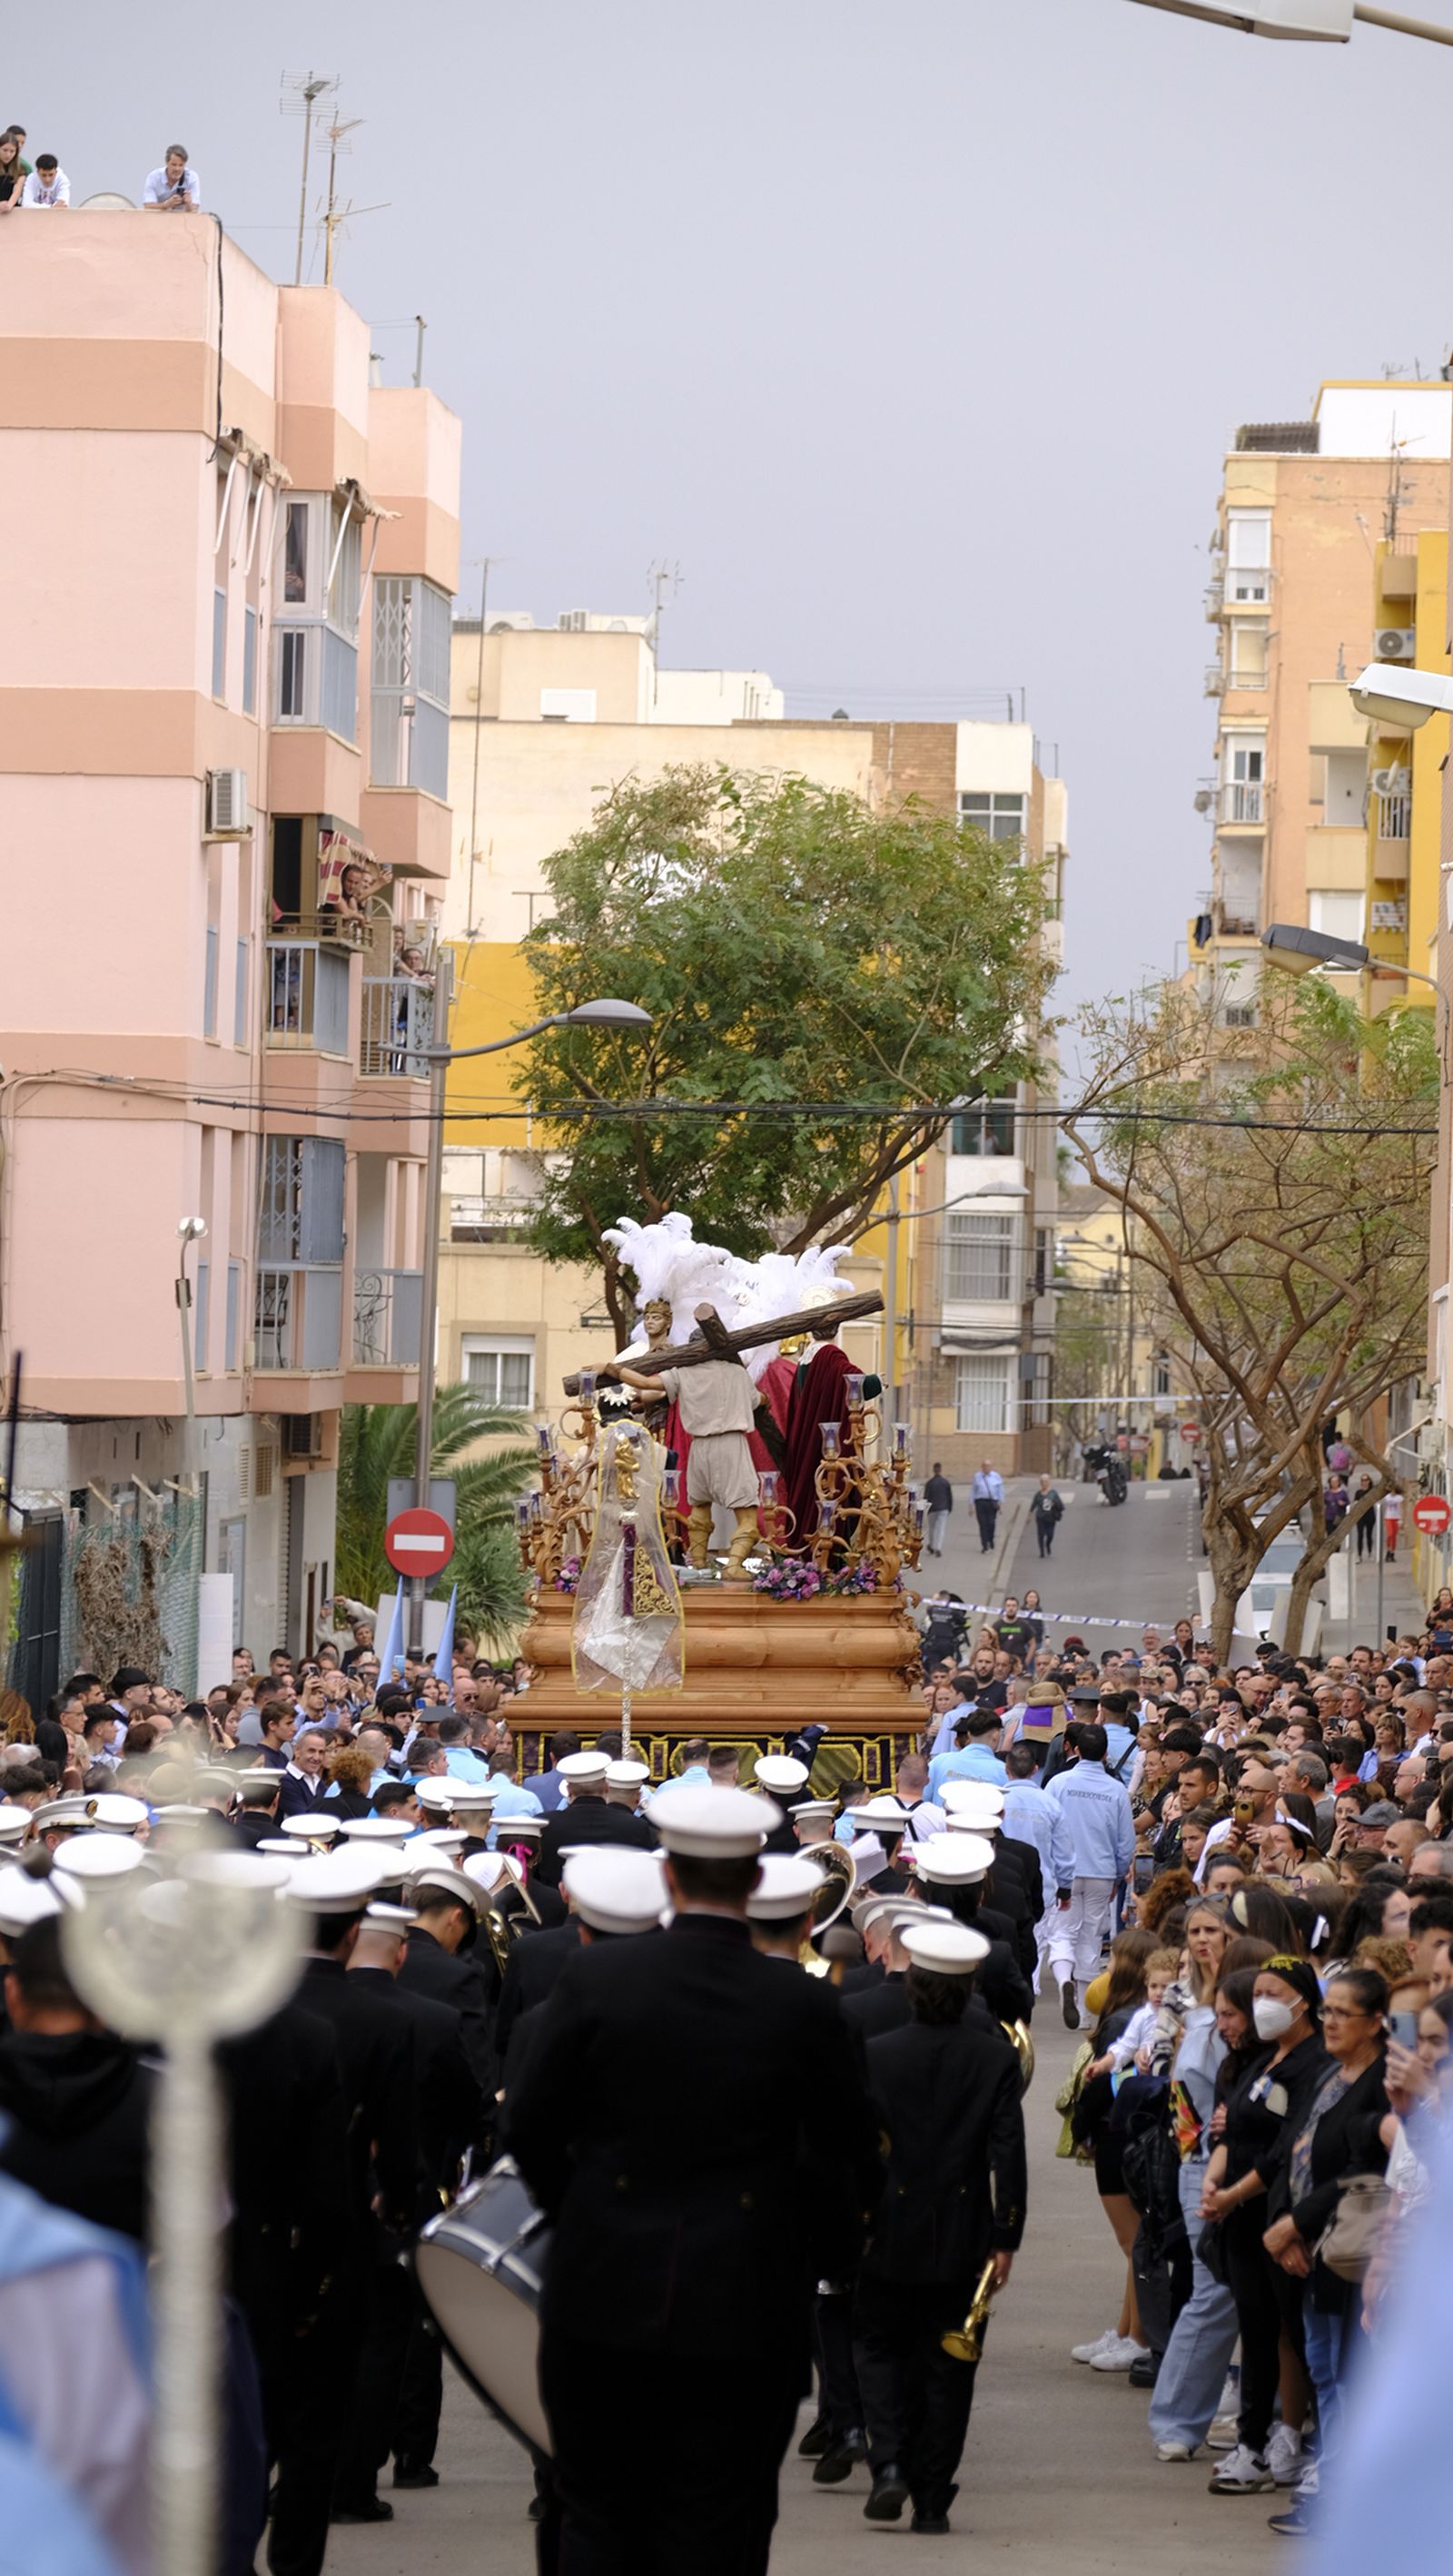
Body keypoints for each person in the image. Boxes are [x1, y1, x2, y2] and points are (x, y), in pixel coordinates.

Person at [508, 1782, 881, 2575]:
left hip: (601, 2285)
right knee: (724, 2516)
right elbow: (846, 2153)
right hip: (747, 2298)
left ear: (669, 1876)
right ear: (753, 1884)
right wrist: (821, 2256)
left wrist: (580, 2214)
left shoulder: (595, 1982)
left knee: (598, 2507)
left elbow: (529, 2128)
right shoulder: (804, 2005)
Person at [851, 1920, 1025, 2534]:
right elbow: (1009, 2153)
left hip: (887, 2226)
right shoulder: (996, 2055)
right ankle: (931, 2498)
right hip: (963, 2228)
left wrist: (856, 2220)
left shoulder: (877, 2053)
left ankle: (890, 2459)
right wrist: (1006, 2237)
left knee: (877, 2346)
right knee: (951, 2362)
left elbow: (859, 2151)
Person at [1201, 1955, 1329, 2496]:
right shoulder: (1263, 2060)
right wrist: (1214, 2181)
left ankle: (1300, 2440)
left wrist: (1232, 2192)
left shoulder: (1314, 2064)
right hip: (1239, 2218)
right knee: (1255, 2333)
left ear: (1303, 2000)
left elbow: (1285, 2150)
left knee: (1298, 2336)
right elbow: (1230, 2124)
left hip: (1276, 2216)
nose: (1262, 2006)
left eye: (1273, 1994)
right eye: (1256, 1995)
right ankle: (1251, 2444)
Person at [1043, 1722, 1136, 2029]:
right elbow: (1126, 1841)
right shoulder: (1117, 1790)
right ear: (1106, 1753)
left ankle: (1062, 1984)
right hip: (1101, 1870)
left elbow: (1047, 1829)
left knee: (1061, 1932)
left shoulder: (1058, 1783)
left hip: (1064, 1873)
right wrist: (1118, 1874)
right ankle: (1084, 2010)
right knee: (1091, 1937)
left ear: (1076, 1750)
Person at [142, 145, 199, 210]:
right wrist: (166, 205)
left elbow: (195, 208)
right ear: (167, 163)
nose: (177, 169)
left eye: (181, 165)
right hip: (158, 217)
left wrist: (189, 204)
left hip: (182, 218)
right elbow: (147, 206)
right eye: (174, 165)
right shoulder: (154, 177)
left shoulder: (191, 177)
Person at [970, 1459, 1003, 1554]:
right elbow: (973, 1490)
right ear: (982, 1467)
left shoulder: (996, 1476)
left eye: (988, 1466)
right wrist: (971, 1504)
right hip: (980, 1502)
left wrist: (1001, 1502)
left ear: (991, 1467)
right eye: (984, 1466)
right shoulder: (977, 1476)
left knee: (991, 1523)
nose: (986, 1468)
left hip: (992, 1502)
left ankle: (991, 1539)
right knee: (983, 1524)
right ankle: (985, 1545)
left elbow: (1000, 1489)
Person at [1030, 1475, 1063, 1558]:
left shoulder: (1053, 1493)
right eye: (1042, 1482)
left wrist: (1054, 1504)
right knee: (1041, 1534)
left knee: (1050, 1535)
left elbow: (1060, 1505)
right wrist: (1029, 1516)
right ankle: (1042, 1552)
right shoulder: (1038, 1494)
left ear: (1049, 1482)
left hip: (1051, 1517)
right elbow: (1033, 1505)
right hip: (1040, 1517)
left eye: (1045, 1481)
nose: (1044, 1483)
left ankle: (1048, 1544)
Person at [923, 1465, 953, 1558]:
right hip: (943, 1508)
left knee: (932, 1528)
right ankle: (938, 1548)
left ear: (933, 1470)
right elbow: (949, 1497)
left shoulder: (929, 1483)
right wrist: (949, 1508)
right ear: (940, 1470)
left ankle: (931, 1545)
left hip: (932, 1509)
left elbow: (926, 1497)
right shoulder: (945, 1482)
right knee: (941, 1529)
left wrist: (925, 1509)